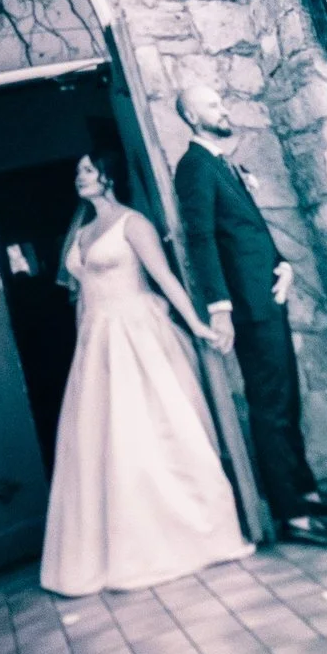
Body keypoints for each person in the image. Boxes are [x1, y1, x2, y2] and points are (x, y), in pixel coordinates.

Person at [39, 148, 252, 597]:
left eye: (89, 168)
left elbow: (164, 278)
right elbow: (80, 295)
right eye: (78, 169)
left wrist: (196, 324)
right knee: (100, 440)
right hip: (96, 342)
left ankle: (193, 532)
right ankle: (115, 547)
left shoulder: (132, 224)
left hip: (136, 333)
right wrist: (82, 347)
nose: (80, 175)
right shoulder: (80, 229)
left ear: (108, 175)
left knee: (150, 430)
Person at [167, 85, 327, 542]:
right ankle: (293, 515)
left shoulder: (219, 163)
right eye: (212, 104)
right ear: (192, 119)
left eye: (220, 101)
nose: (223, 108)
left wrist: (284, 266)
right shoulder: (194, 167)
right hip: (247, 307)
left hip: (267, 295)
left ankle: (307, 492)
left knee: (287, 398)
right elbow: (202, 238)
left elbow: (246, 230)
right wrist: (220, 307)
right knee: (270, 405)